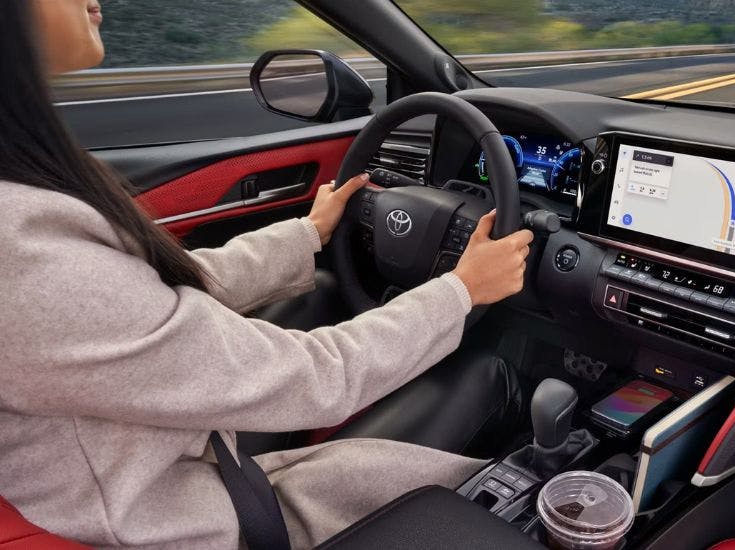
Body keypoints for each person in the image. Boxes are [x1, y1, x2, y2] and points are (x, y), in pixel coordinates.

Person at [0, 1, 534, 548]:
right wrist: (463, 290)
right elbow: (318, 376)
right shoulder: (23, 256)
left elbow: (151, 296)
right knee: (486, 377)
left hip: (126, 464)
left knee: (323, 292)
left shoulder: (21, 208)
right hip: (169, 522)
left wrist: (307, 233)